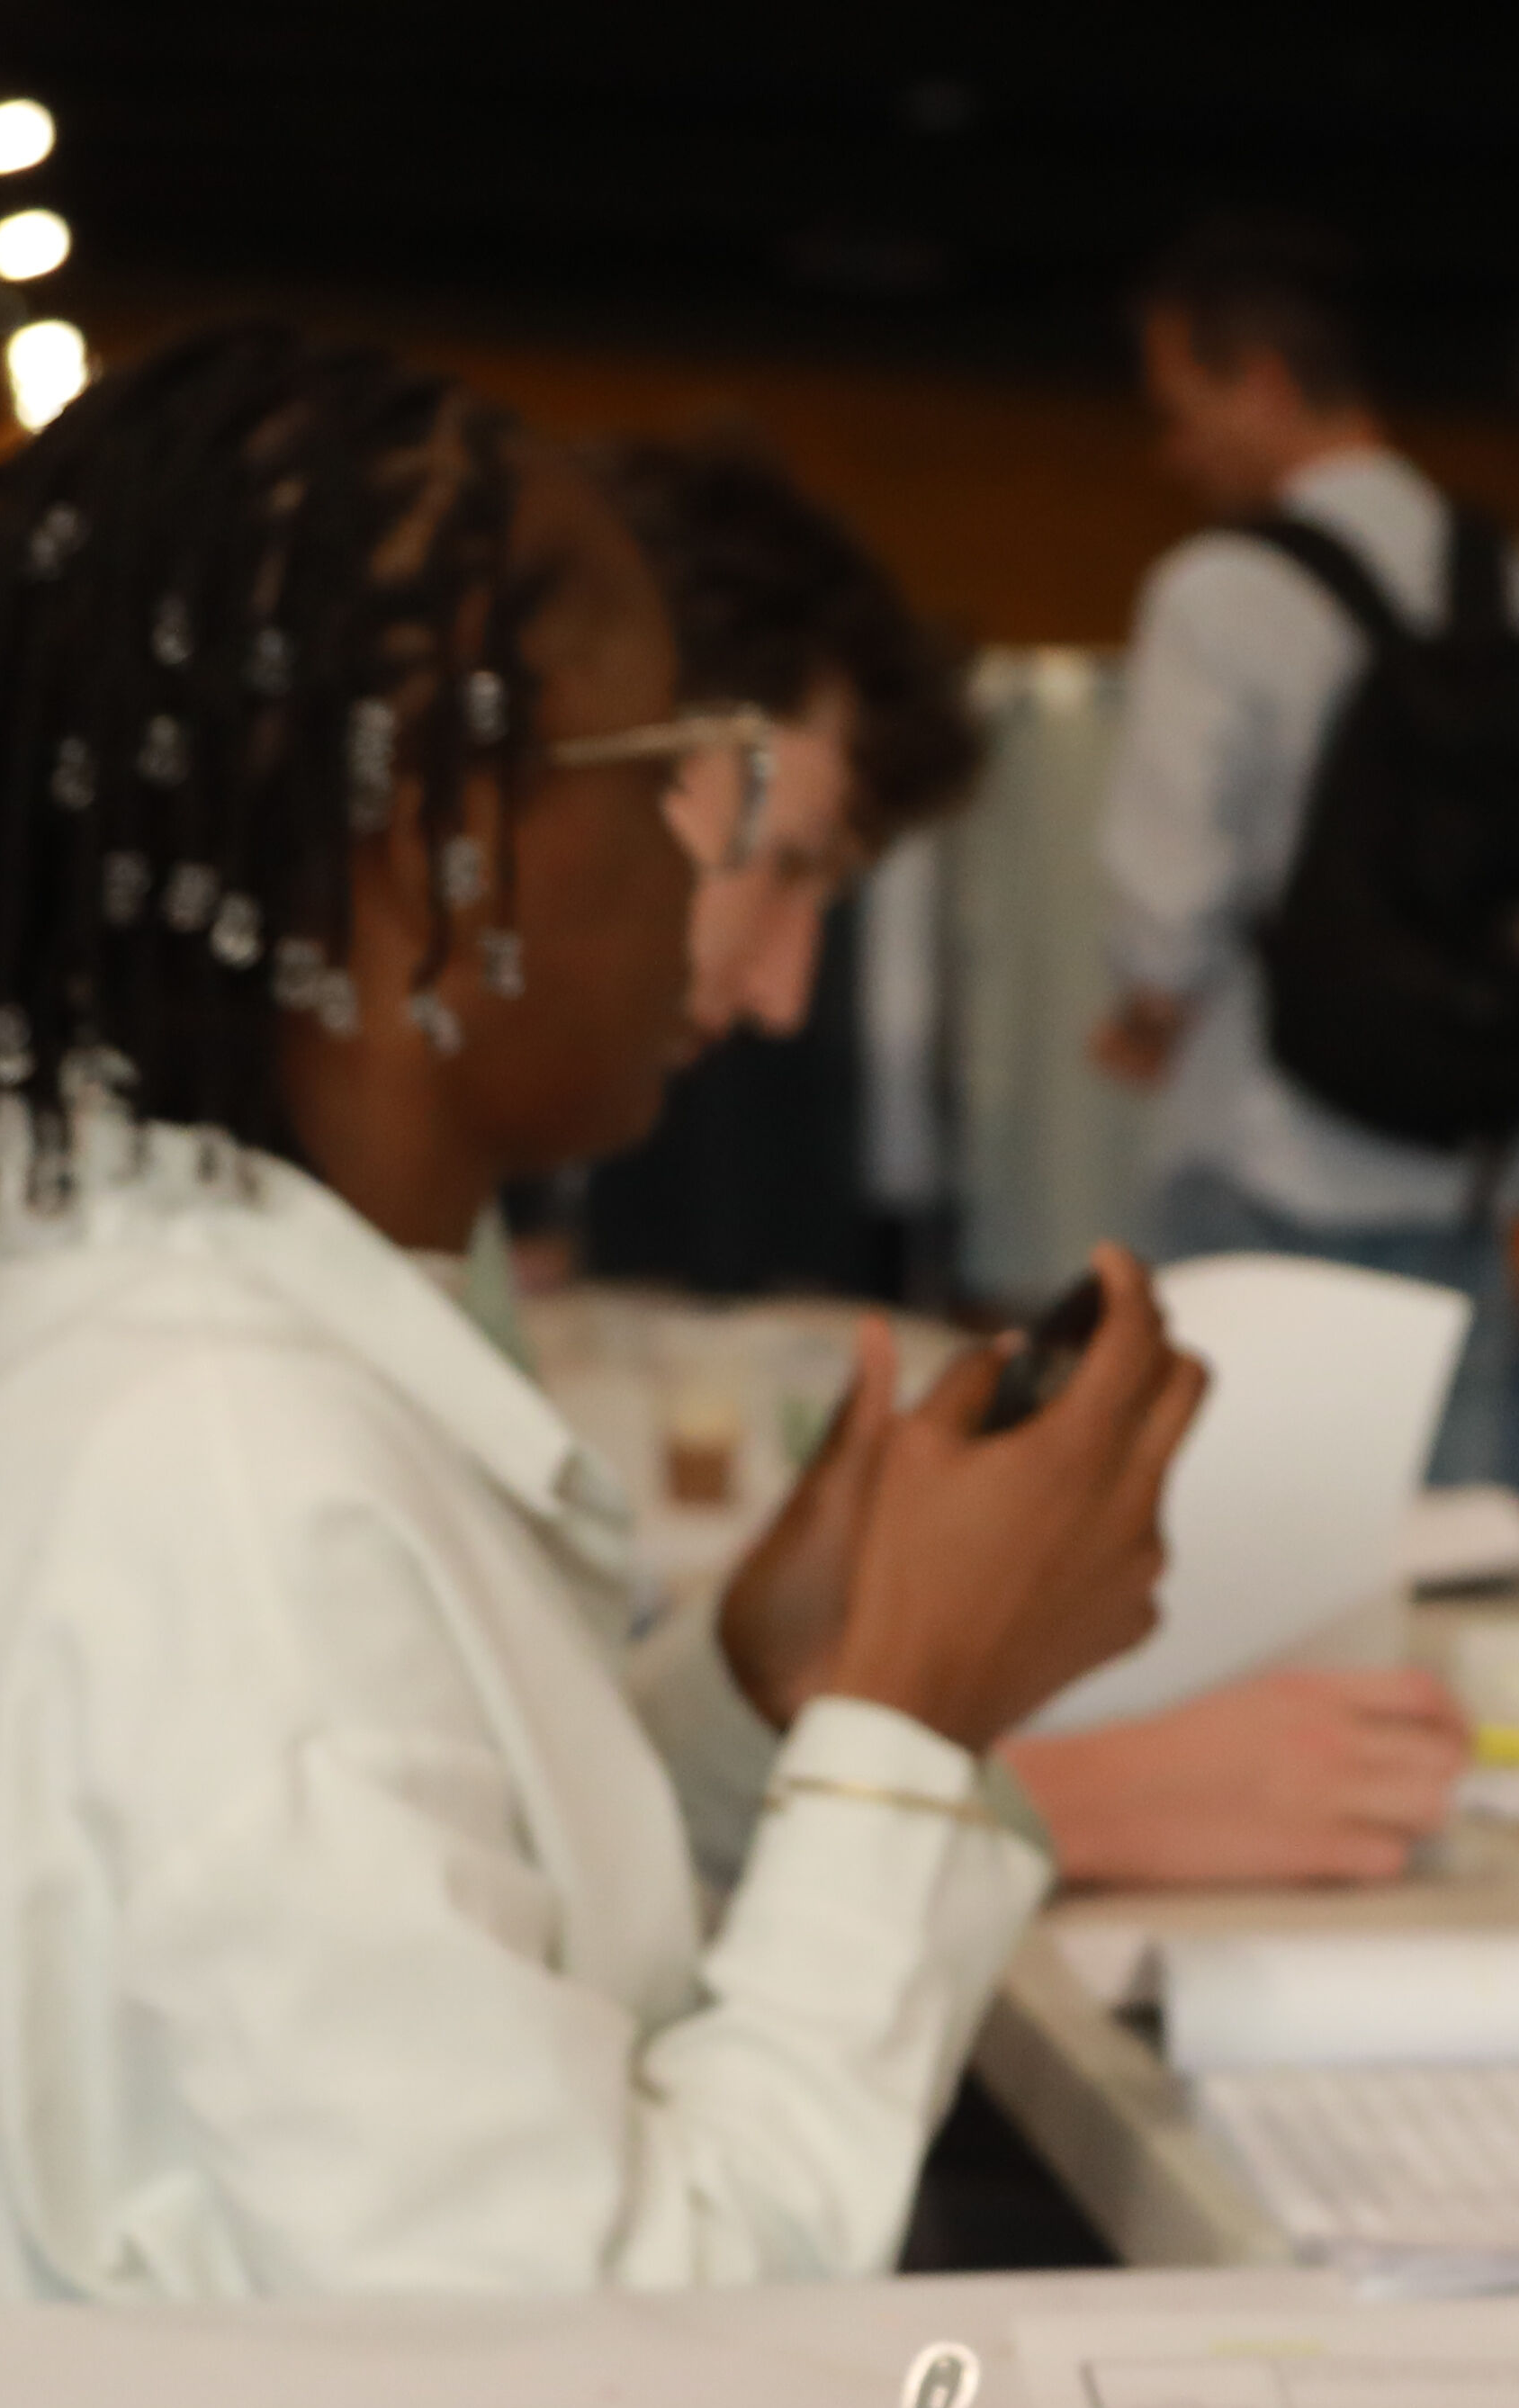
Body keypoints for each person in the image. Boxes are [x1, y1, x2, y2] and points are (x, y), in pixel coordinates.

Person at [0, 328, 1204, 2302]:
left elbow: (440, 1925)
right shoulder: (226, 1499)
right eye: (664, 786)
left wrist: (758, 1696)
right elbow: (576, 2375)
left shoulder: (141, 1348)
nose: (699, 874)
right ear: (422, 859)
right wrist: (915, 1712)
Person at [602, 427, 1470, 1894]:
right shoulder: (240, 1416)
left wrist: (757, 1676)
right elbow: (611, 2068)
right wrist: (973, 1766)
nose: (779, 998)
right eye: (788, 863)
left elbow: (571, 1867)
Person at [1092, 215, 1519, 1493]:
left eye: (1183, 407)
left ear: (1264, 384)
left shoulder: (1218, 592)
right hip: (1469, 1169)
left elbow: (1163, 903)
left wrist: (1145, 1010)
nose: (1172, 452)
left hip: (1267, 1158)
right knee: (1433, 1549)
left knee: (1231, 1542)